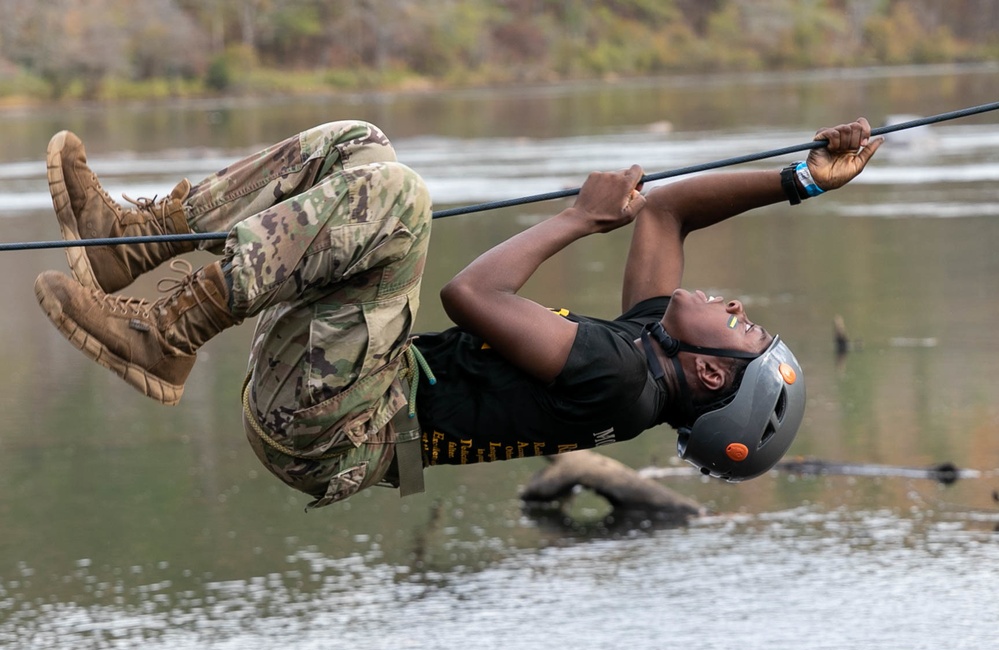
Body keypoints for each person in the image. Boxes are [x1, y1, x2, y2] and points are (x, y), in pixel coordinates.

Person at [34, 118, 883, 509]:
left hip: (338, 426)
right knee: (360, 146)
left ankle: (168, 334)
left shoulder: (622, 377)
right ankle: (137, 242)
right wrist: (801, 179)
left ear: (707, 373)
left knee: (398, 202)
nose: (736, 306)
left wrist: (581, 218)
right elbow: (665, 214)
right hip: (337, 400)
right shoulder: (650, 344)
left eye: (744, 326)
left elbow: (468, 297)